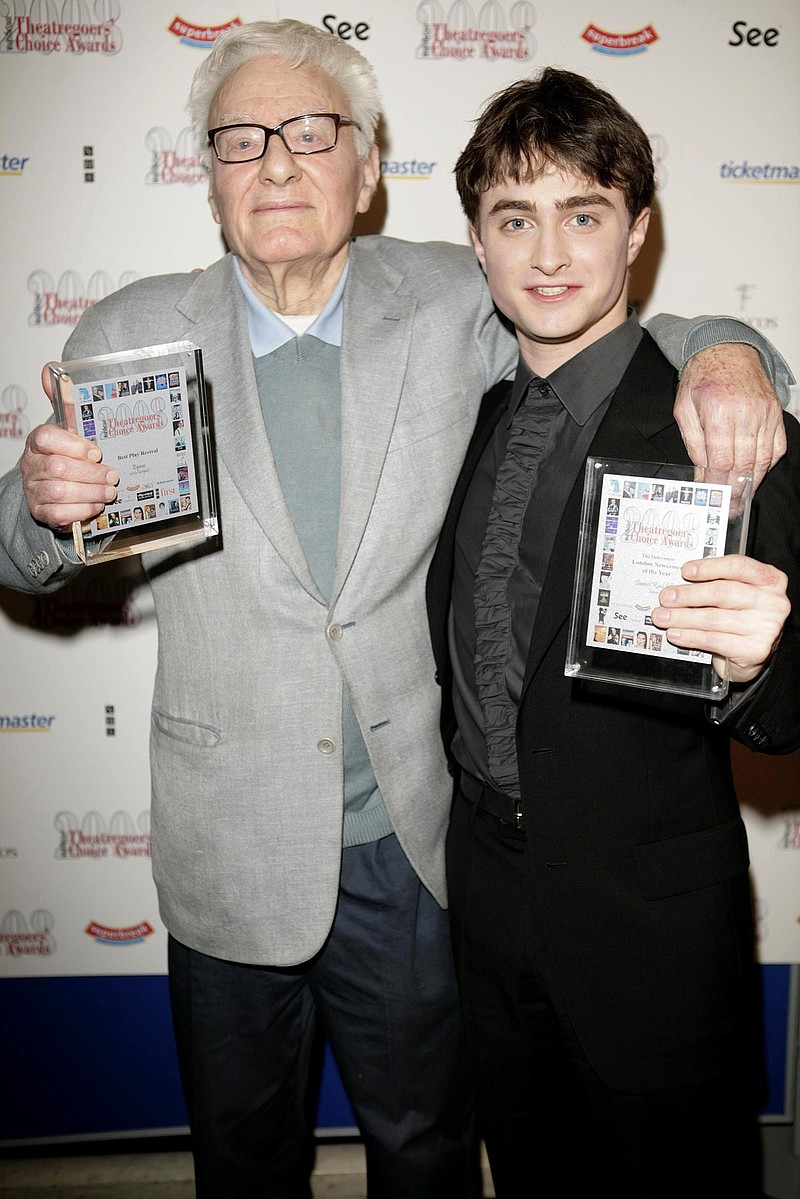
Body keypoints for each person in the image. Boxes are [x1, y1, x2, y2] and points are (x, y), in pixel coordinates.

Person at [0, 21, 792, 1198]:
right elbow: (26, 550)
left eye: (311, 134)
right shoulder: (130, 333)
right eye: (240, 139)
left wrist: (731, 353)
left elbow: (605, 321)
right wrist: (37, 503)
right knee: (240, 1162)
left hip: (416, 856)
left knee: (428, 1155)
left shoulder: (442, 296)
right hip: (228, 847)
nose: (275, 164)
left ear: (366, 171)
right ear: (205, 170)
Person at [426, 68, 800, 1198]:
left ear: (634, 232)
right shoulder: (472, 412)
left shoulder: (723, 422)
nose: (548, 253)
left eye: (582, 214)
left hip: (650, 927)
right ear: (478, 246)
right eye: (514, 218)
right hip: (487, 907)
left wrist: (757, 663)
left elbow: (785, 711)